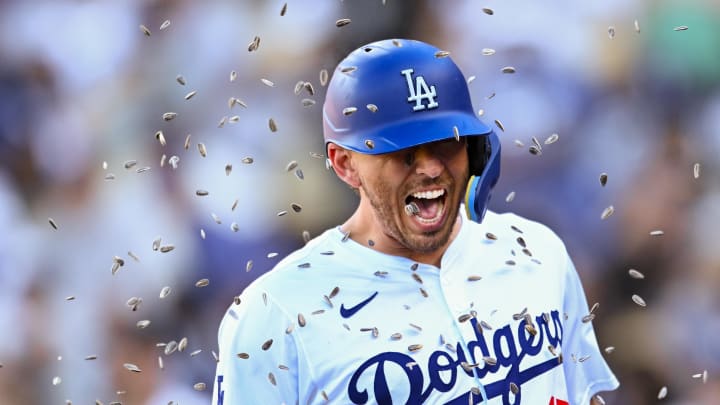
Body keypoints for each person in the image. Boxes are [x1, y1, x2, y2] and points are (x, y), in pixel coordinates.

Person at [212, 38, 619, 405]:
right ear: (344, 164)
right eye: (401, 151)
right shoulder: (276, 313)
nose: (429, 168)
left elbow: (580, 395)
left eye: (446, 141)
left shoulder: (536, 252)